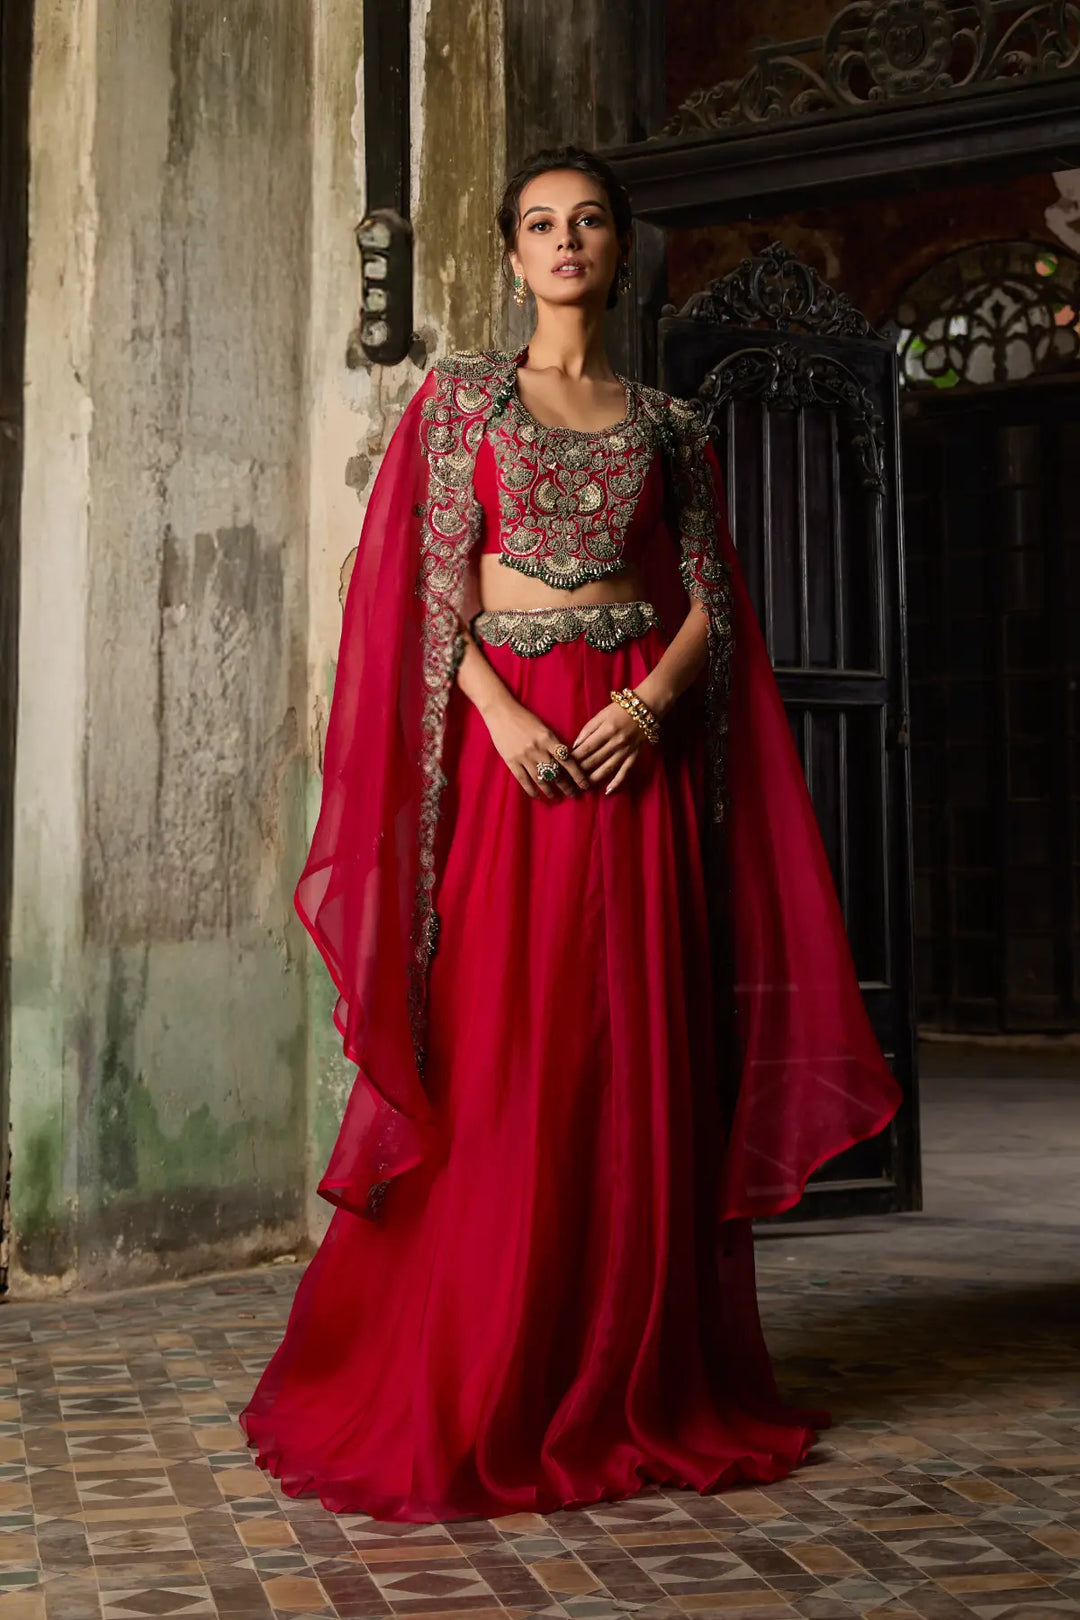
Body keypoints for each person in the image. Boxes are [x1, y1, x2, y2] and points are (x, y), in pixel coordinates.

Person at [240, 144, 902, 1523]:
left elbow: (715, 602)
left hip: (629, 749)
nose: (565, 241)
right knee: (506, 1039)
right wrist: (496, 715)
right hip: (516, 754)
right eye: (541, 223)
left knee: (631, 1046)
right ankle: (487, 1363)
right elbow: (411, 590)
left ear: (620, 249)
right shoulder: (459, 402)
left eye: (589, 221)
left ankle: (626, 1371)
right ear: (511, 254)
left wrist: (650, 707)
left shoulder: (669, 423)